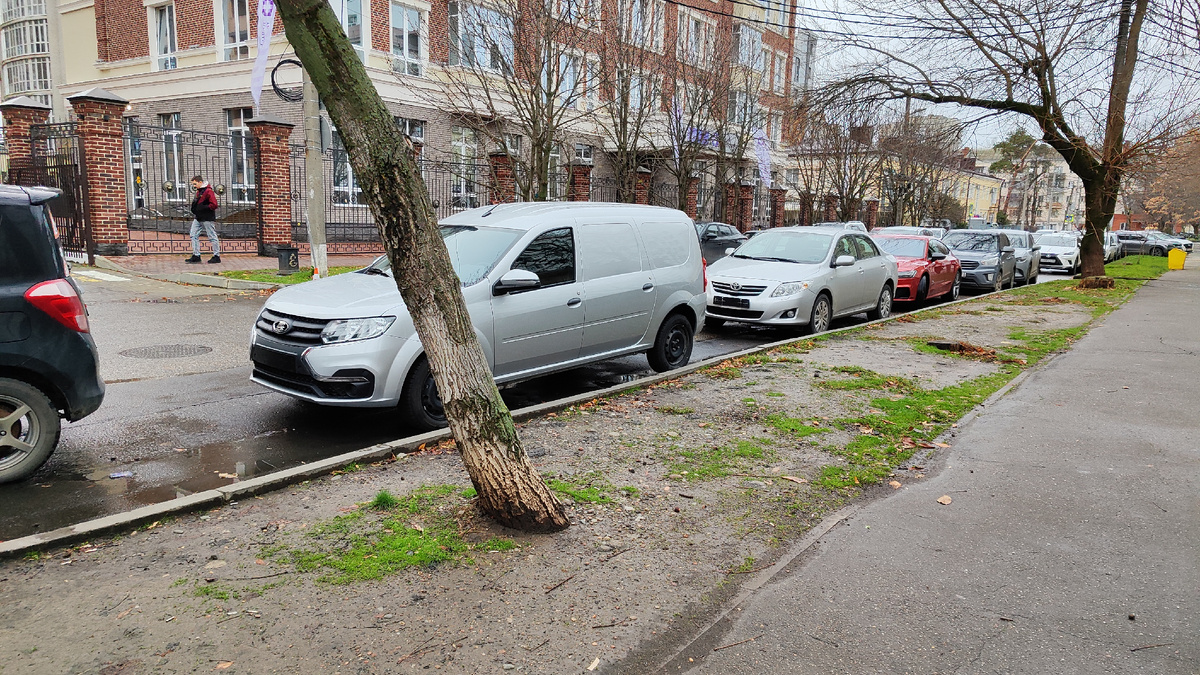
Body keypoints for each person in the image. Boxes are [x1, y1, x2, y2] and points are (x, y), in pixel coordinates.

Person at [185, 176, 220, 264]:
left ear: (200, 182)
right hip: (198, 217)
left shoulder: (208, 191)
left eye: (195, 184)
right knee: (193, 234)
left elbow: (214, 205)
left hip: (207, 218)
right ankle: (196, 255)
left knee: (212, 236)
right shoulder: (199, 191)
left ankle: (216, 256)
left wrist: (204, 208)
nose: (194, 186)